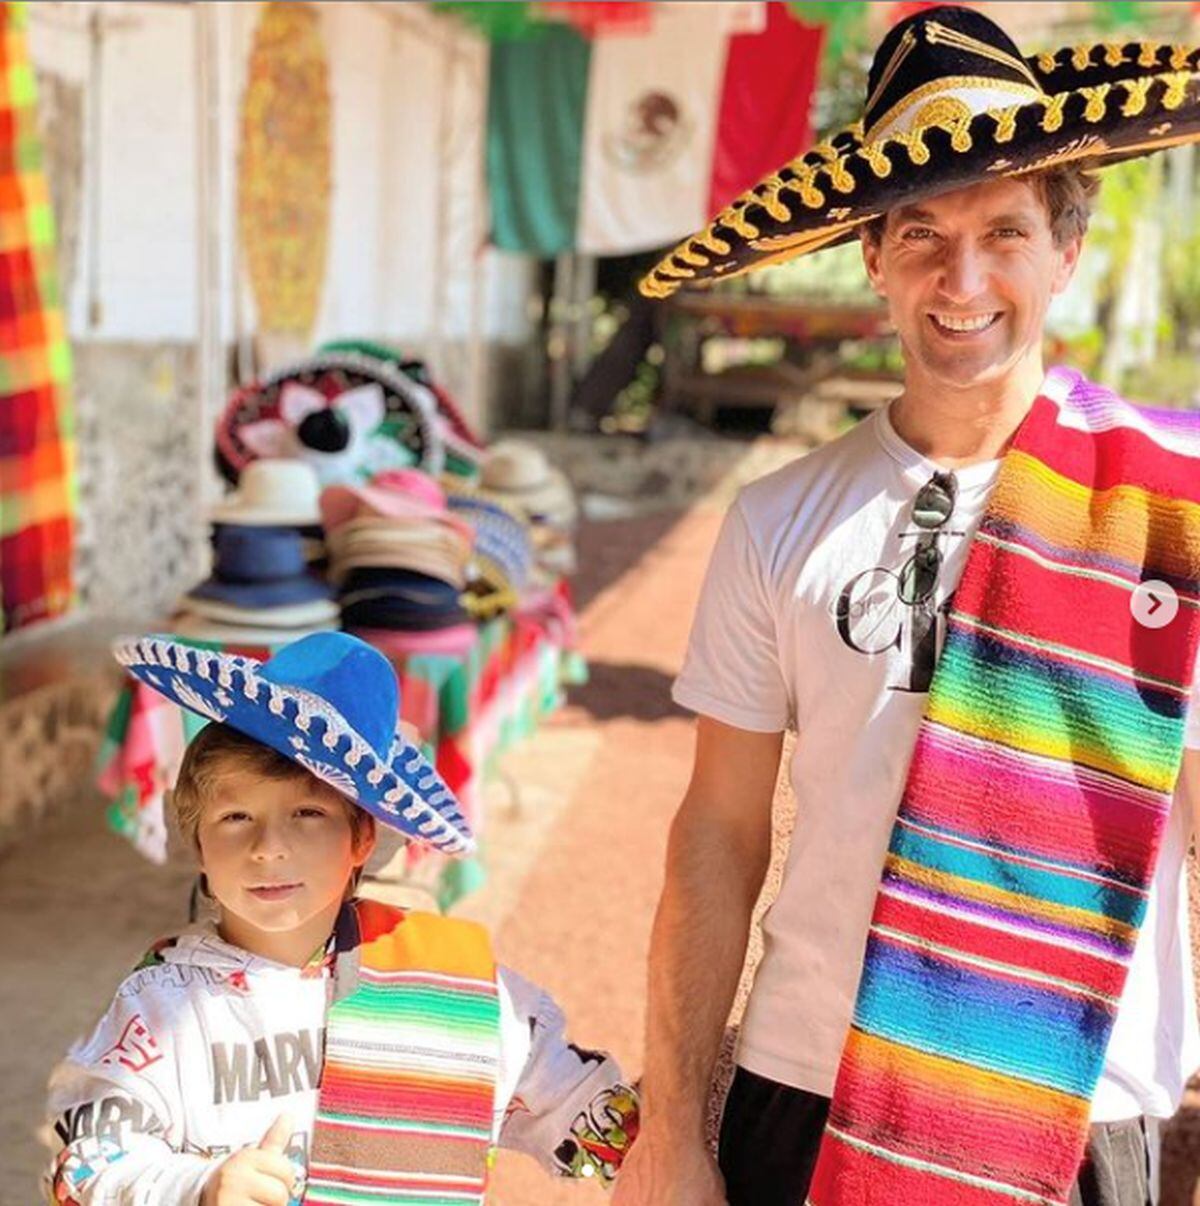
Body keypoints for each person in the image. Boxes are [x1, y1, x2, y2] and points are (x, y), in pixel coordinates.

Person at [617, 6, 1200, 1206]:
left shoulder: (1175, 509)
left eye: (1005, 231)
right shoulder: (777, 521)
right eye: (921, 233)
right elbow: (719, 834)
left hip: (1081, 1111)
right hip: (808, 1093)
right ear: (872, 258)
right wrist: (671, 1128)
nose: (964, 278)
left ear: (1064, 253)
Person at [45, 631, 638, 1205]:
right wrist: (196, 1189)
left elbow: (584, 1111)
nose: (268, 846)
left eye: (306, 812)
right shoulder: (161, 1004)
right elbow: (88, 1163)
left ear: (361, 838)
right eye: (235, 818)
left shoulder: (456, 990)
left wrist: (683, 1127)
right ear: (198, 843)